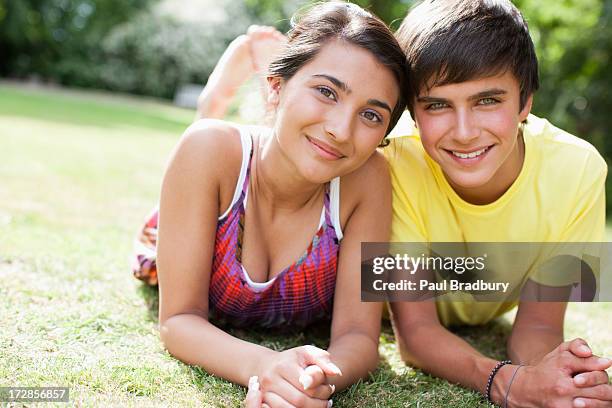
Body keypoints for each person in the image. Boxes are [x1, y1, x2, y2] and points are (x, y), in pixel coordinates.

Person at [132, 2, 408, 407]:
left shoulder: (368, 177)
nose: (340, 130)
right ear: (276, 85)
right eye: (326, 92)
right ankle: (214, 101)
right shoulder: (207, 153)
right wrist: (267, 366)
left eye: (370, 115)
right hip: (216, 182)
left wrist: (315, 380)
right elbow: (178, 322)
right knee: (204, 133)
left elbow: (360, 338)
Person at [386, 0, 612, 407]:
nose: (464, 132)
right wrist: (508, 383)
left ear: (525, 102)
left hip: (483, 314)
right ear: (413, 115)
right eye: (437, 105)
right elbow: (415, 335)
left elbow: (538, 327)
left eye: (488, 101)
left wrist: (561, 383)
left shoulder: (578, 171)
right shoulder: (394, 161)